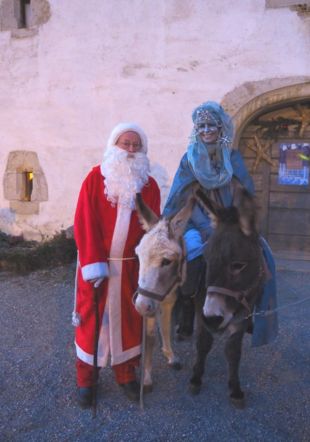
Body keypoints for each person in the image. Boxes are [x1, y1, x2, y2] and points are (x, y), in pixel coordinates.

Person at [163, 101, 278, 347]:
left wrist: (234, 223)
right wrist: (197, 225)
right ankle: (186, 307)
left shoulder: (233, 158)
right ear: (196, 130)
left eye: (211, 125)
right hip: (196, 221)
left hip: (230, 223)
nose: (206, 130)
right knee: (191, 254)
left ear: (220, 128)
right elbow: (181, 196)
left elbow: (245, 192)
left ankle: (250, 314)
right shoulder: (189, 160)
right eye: (201, 126)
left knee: (265, 261)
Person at [72, 122, 160, 408]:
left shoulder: (149, 185)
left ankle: (125, 374)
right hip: (96, 265)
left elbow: (153, 228)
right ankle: (87, 380)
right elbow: (85, 222)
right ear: (114, 145)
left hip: (131, 268)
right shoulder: (96, 178)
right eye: (126, 143)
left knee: (129, 320)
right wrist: (94, 264)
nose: (131, 150)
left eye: (136, 145)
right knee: (92, 320)